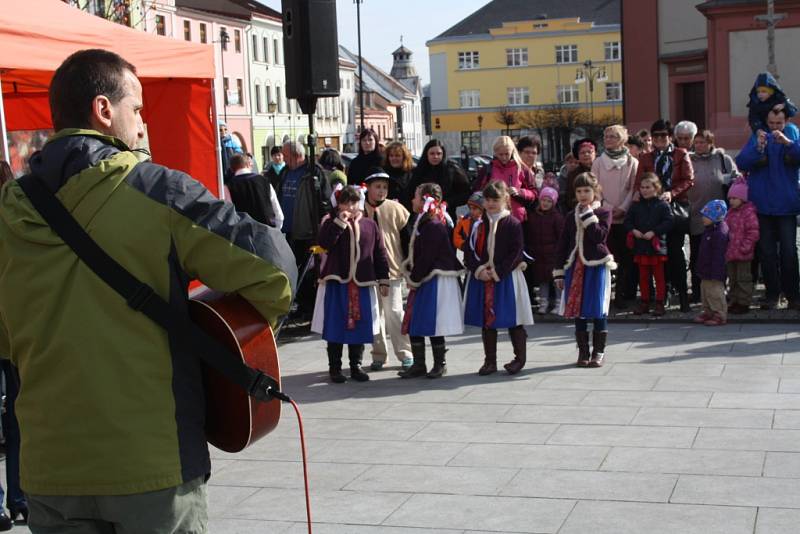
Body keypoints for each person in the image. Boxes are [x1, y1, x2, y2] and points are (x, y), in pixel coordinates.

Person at [0, 49, 295, 532]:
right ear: (103, 110)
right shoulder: (155, 189)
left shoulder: (7, 211)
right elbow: (276, 270)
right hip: (150, 468)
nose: (141, 124)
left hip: (50, 470)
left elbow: (5, 339)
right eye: (136, 109)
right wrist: (236, 336)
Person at [311, 185, 389, 383]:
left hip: (362, 282)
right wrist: (339, 223)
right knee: (336, 324)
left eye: (354, 202)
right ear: (339, 204)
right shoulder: (330, 222)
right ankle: (335, 368)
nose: (350, 207)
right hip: (338, 282)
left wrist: (384, 279)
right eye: (346, 202)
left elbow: (379, 253)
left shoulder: (369, 225)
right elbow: (324, 244)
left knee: (360, 326)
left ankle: (356, 366)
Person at [464, 181, 533, 375]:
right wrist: (479, 270)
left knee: (513, 318)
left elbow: (516, 252)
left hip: (507, 278)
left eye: (495, 199)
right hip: (483, 277)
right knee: (487, 320)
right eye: (488, 200)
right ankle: (490, 361)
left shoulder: (512, 223)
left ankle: (519, 359)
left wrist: (497, 273)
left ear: (505, 200)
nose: (491, 203)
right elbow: (468, 251)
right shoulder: (478, 224)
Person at [735, 108, 800, 310]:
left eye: (778, 123)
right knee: (767, 253)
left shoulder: (792, 133)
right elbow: (741, 162)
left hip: (786, 205)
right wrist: (758, 148)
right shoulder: (758, 135)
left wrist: (788, 144)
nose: (774, 127)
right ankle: (772, 294)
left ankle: (793, 295)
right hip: (762, 205)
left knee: (789, 252)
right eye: (771, 123)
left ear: (786, 121)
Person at [399, 183, 464, 378]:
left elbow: (427, 256)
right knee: (415, 320)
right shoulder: (426, 221)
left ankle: (439, 363)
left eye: (416, 197)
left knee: (433, 321)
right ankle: (419, 364)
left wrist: (415, 278)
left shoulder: (433, 224)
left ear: (426, 199)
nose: (412, 200)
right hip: (426, 277)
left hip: (434, 278)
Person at [554, 172, 615, 367]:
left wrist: (588, 215)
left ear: (595, 191)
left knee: (598, 309)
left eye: (587, 190)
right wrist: (558, 272)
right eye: (579, 191)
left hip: (596, 265)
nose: (582, 195)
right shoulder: (571, 215)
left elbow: (599, 237)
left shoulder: (603, 213)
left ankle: (599, 352)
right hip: (575, 266)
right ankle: (583, 352)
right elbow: (562, 244)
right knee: (578, 309)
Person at [634, 119, 694, 312]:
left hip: (674, 208)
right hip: (653, 209)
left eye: (663, 135)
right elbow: (638, 181)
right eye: (656, 136)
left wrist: (672, 193)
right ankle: (661, 294)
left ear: (670, 137)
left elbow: (689, 179)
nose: (660, 139)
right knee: (658, 254)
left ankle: (683, 295)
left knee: (675, 252)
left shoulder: (680, 154)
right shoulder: (645, 157)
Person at [361, 167, 413, 371]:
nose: (381, 191)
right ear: (368, 188)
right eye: (377, 187)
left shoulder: (396, 209)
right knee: (375, 315)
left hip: (392, 268)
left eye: (384, 187)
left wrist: (408, 264)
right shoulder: (360, 208)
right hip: (367, 271)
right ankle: (379, 354)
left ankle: (405, 352)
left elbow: (408, 238)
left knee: (394, 312)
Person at [276, 140, 333, 320]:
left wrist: (322, 226)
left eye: (286, 156)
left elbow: (325, 200)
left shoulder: (314, 172)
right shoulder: (286, 171)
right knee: (293, 268)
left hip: (308, 231)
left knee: (309, 271)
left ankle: (311, 307)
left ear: (297, 155)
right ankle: (301, 304)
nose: (283, 160)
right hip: (289, 231)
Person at [688, 130, 740, 302]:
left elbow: (736, 180)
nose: (699, 145)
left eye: (703, 142)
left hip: (719, 219)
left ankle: (719, 291)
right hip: (696, 215)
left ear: (711, 143)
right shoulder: (688, 160)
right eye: (697, 142)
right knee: (697, 255)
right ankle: (697, 292)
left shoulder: (722, 159)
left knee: (718, 255)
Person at [592, 124, 637, 308]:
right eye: (606, 136)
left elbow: (634, 188)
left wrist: (624, 207)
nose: (608, 139)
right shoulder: (598, 162)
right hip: (605, 217)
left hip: (625, 217)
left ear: (622, 140)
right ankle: (605, 296)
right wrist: (608, 208)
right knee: (606, 257)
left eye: (613, 136)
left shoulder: (632, 162)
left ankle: (622, 296)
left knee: (626, 258)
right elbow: (594, 189)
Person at [624, 173, 673, 316]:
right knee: (643, 277)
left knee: (659, 277)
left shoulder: (662, 205)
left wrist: (655, 232)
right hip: (641, 246)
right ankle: (645, 301)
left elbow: (669, 222)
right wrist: (634, 231)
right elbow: (627, 221)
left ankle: (660, 302)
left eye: (648, 187)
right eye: (642, 187)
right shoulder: (636, 205)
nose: (644, 190)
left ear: (656, 188)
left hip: (656, 246)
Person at [475, 136, 537, 222]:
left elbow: (534, 192)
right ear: (495, 153)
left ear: (512, 152)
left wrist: (520, 192)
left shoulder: (522, 168)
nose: (504, 157)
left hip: (517, 218)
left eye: (507, 154)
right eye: (501, 154)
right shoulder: (487, 169)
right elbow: (477, 192)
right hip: (492, 218)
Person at [409, 140, 471, 222]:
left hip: (446, 215)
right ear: (426, 154)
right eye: (432, 154)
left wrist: (448, 202)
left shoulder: (452, 169)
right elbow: (410, 191)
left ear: (443, 154)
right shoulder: (419, 170)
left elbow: (465, 193)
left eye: (438, 154)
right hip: (422, 216)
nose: (435, 157)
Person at [524, 186, 564, 314]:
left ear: (553, 203)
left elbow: (561, 236)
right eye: (543, 200)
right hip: (538, 254)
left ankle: (558, 303)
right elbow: (530, 234)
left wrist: (559, 252)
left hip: (553, 254)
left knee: (556, 280)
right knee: (543, 280)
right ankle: (543, 303)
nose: (545, 203)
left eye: (549, 201)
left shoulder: (557, 217)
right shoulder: (533, 216)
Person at [725, 180, 760, 314]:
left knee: (743, 278)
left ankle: (744, 302)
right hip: (731, 252)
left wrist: (746, 246)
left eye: (734, 198)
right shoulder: (730, 213)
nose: (731, 201)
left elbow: (753, 232)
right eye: (730, 198)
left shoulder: (749, 213)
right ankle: (734, 300)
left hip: (744, 253)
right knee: (732, 279)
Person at [695, 200, 729, 326]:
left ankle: (719, 314)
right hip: (706, 268)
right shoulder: (709, 230)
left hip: (715, 270)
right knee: (705, 291)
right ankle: (708, 311)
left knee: (715, 292)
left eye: (706, 216)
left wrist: (716, 271)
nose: (703, 218)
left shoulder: (720, 233)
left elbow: (719, 256)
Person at [226, 153, 284, 229]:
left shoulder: (228, 186)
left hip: (243, 231)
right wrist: (276, 229)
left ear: (232, 168)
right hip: (267, 229)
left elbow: (229, 214)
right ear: (248, 164)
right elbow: (277, 210)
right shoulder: (264, 181)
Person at [747, 72, 798, 138]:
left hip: (782, 129)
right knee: (755, 138)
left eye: (764, 91)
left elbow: (793, 111)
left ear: (771, 92)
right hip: (764, 130)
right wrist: (758, 130)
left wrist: (784, 105)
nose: (760, 94)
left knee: (791, 129)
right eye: (758, 92)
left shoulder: (780, 98)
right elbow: (753, 118)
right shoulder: (755, 103)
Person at [564, 138, 597, 212]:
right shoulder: (573, 174)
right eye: (582, 153)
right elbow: (570, 197)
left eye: (589, 152)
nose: (586, 154)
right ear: (578, 156)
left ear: (595, 153)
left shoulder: (602, 170)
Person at [383, 141, 415, 207]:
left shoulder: (413, 172)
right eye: (391, 156)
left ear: (404, 157)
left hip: (409, 211)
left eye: (397, 155)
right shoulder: (383, 173)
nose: (394, 158)